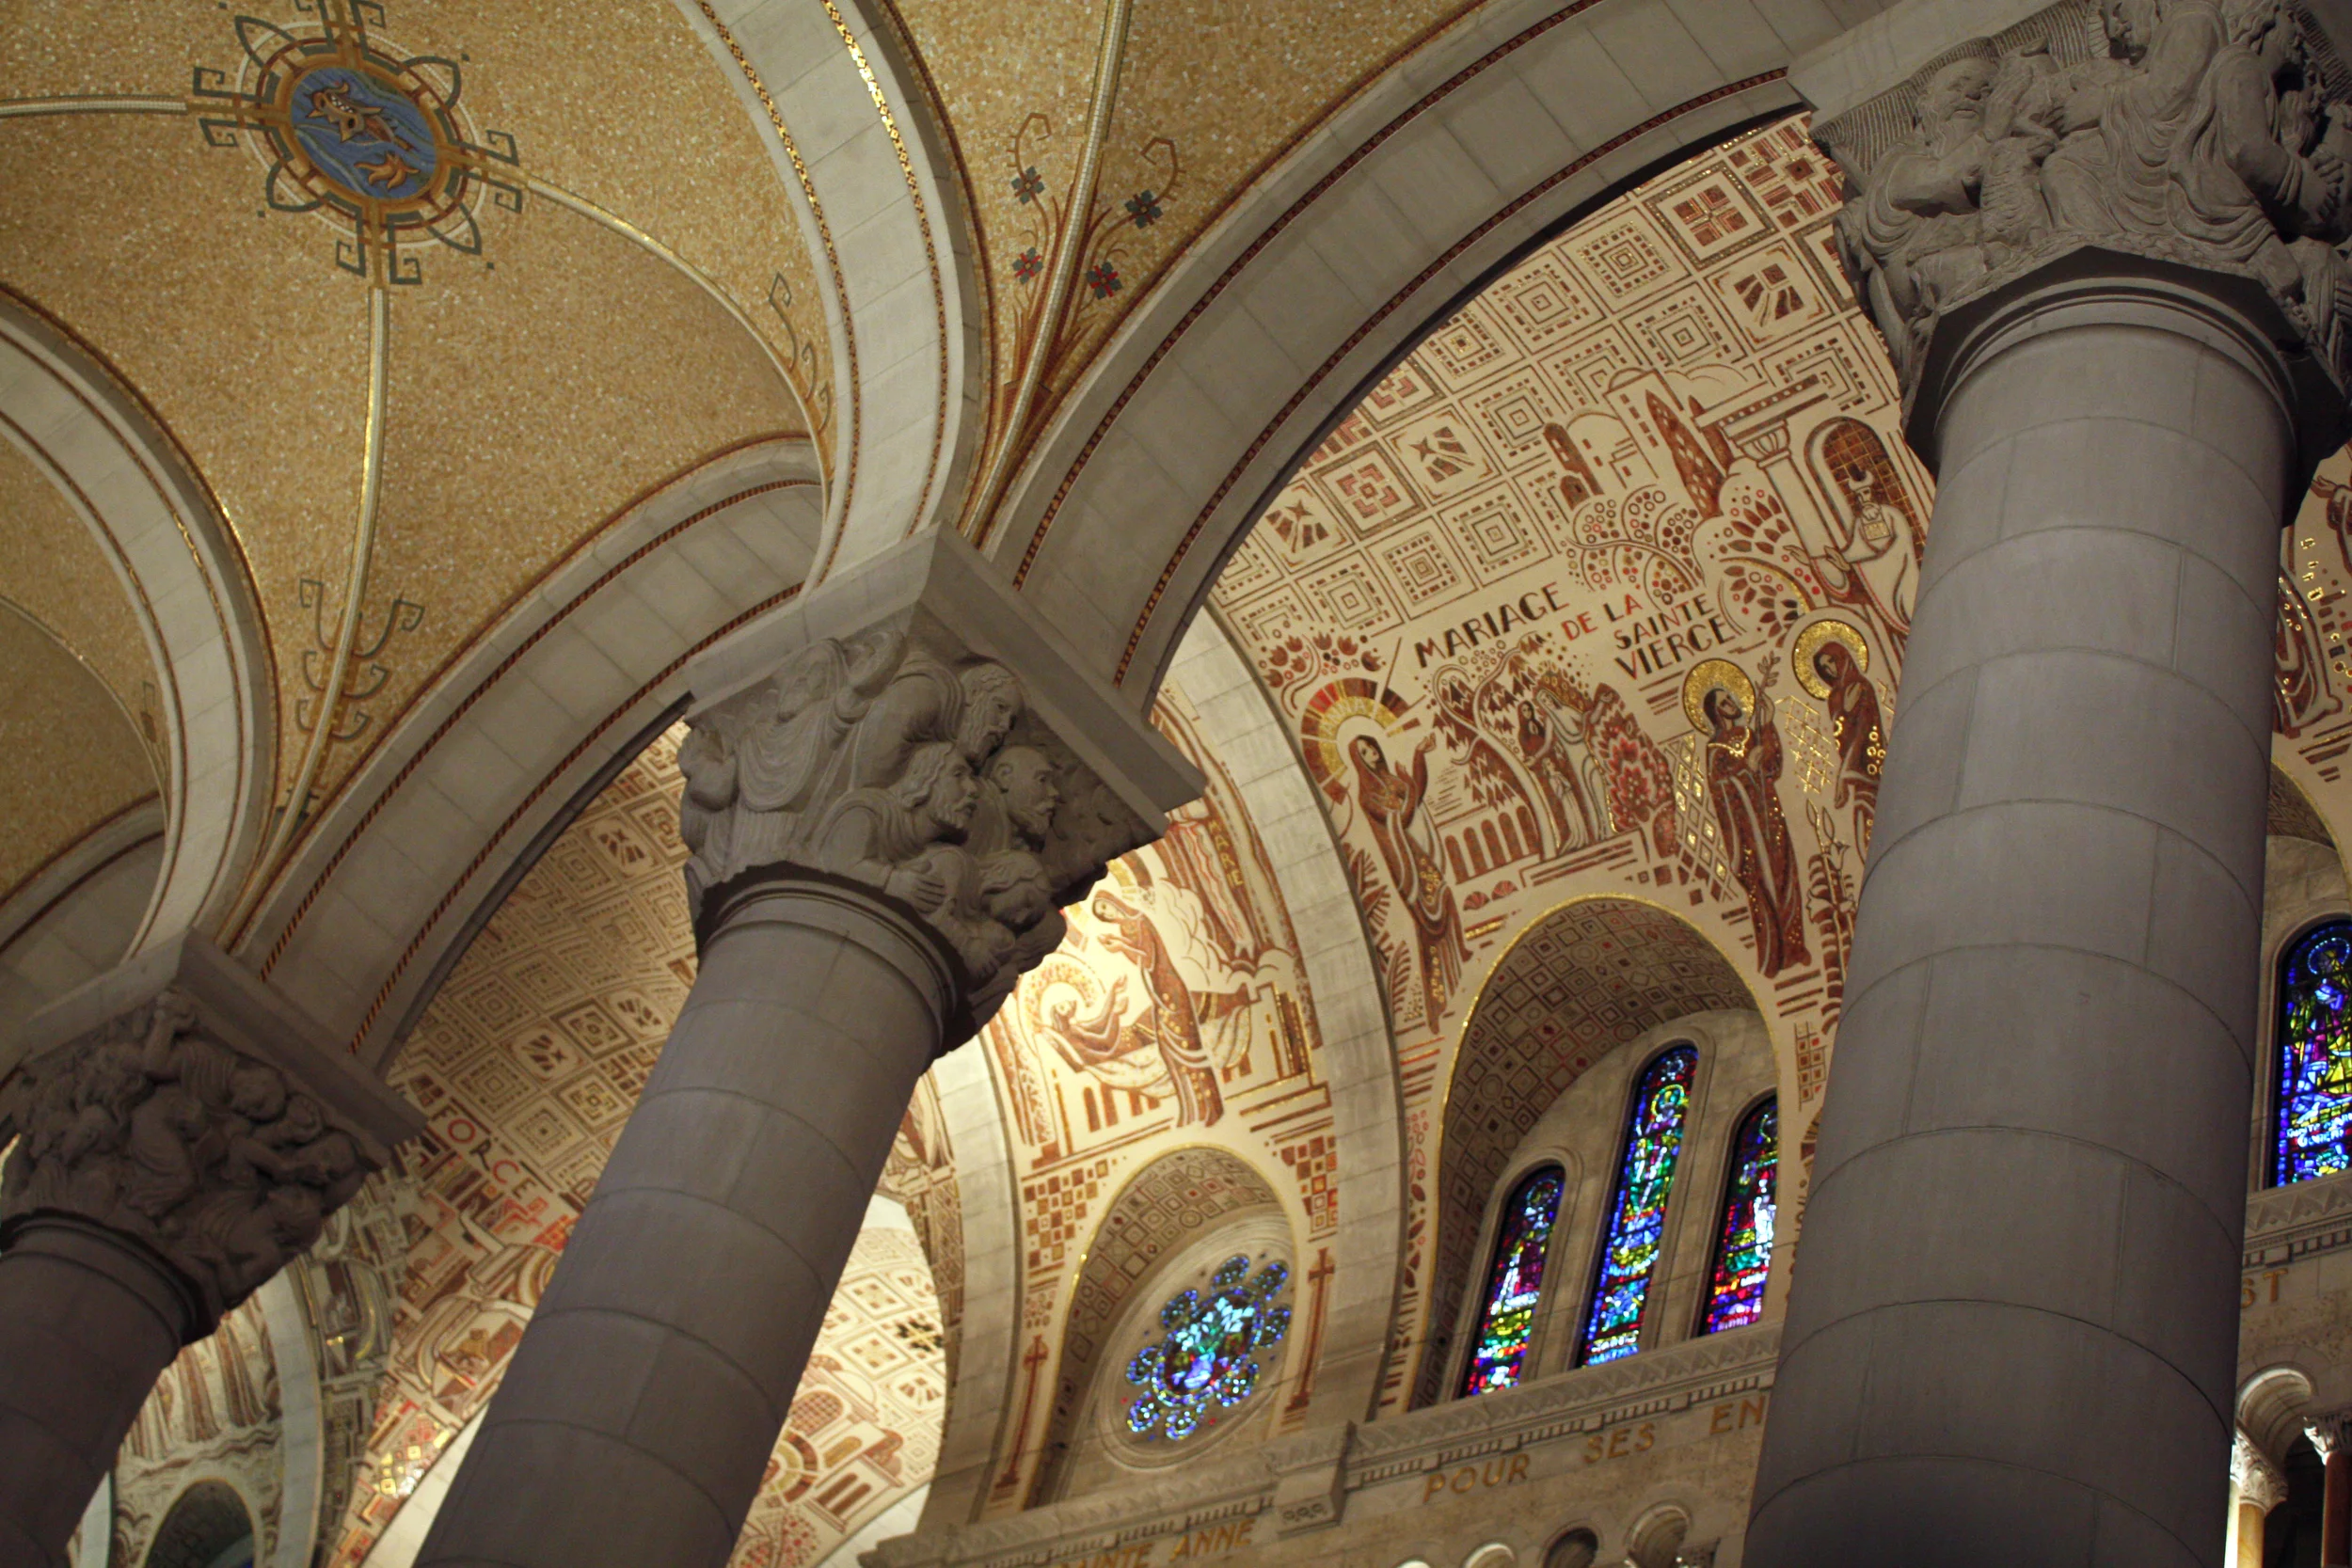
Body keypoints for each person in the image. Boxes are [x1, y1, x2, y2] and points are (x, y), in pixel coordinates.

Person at [1351, 732, 1468, 1026]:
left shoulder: (1390, 780)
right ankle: (1439, 990)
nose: (1371, 753)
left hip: (1414, 851)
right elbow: (1400, 817)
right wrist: (1411, 786)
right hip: (1405, 865)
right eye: (1364, 752)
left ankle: (1460, 954)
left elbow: (1415, 796)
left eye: (1371, 747)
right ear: (1358, 760)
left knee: (1444, 893)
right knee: (1428, 918)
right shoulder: (1367, 796)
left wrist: (1419, 755)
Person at [1701, 665, 1810, 977]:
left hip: (1770, 817)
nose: (1732, 703)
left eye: (1731, 698)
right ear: (1716, 713)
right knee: (1763, 886)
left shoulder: (1750, 735)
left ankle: (1796, 947)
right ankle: (1775, 955)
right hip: (1748, 832)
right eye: (1724, 702)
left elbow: (1773, 768)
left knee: (1787, 876)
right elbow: (1720, 789)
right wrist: (1744, 771)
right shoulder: (1715, 749)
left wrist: (1769, 725)